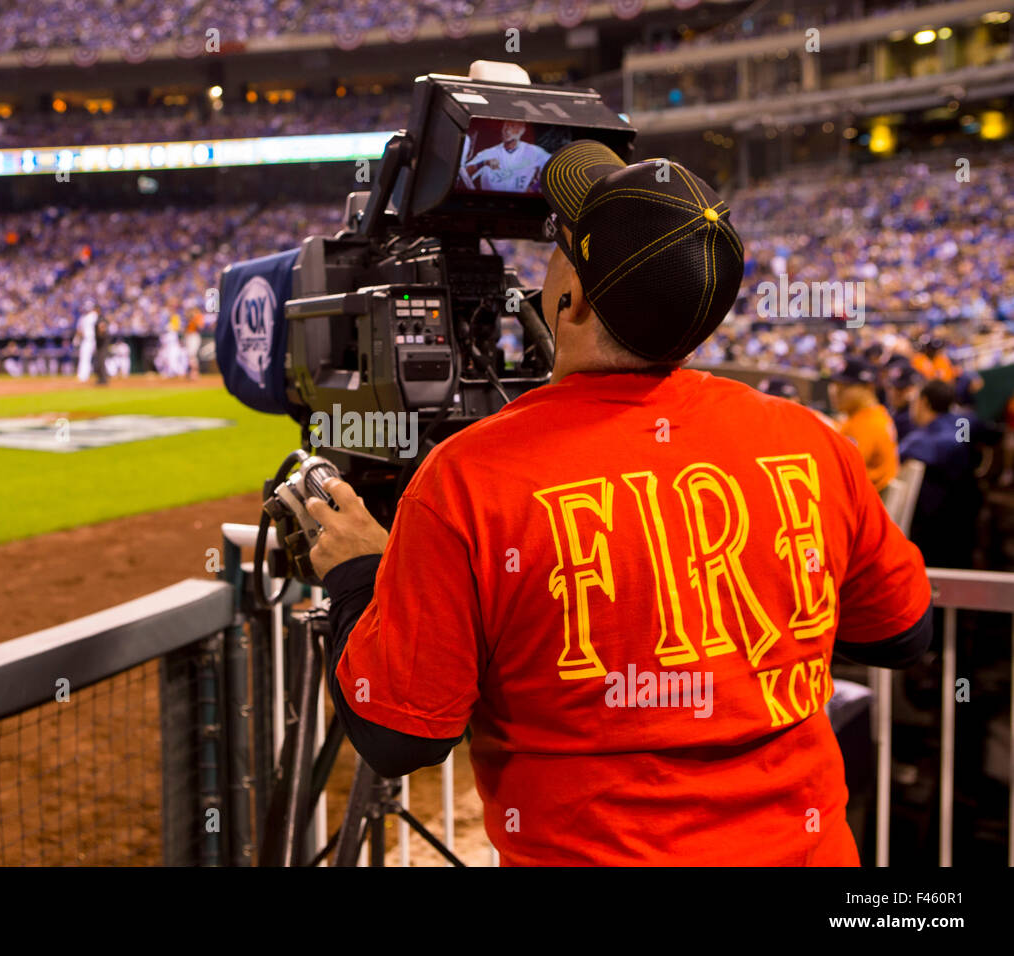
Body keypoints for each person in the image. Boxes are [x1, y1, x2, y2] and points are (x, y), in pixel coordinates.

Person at [304, 141, 933, 866]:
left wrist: (358, 576)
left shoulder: (469, 477)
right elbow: (902, 633)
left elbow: (399, 735)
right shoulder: (808, 441)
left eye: (556, 246)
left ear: (569, 297)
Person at [899, 380, 980, 568]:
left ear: (924, 402)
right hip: (967, 521)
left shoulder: (918, 442)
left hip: (935, 537)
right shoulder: (964, 422)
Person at [830, 357, 899, 494]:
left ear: (868, 388)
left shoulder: (867, 425)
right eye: (836, 385)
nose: (836, 393)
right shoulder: (872, 414)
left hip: (863, 502)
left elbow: (840, 473)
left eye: (845, 387)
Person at [461, 120, 550, 193]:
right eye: (506, 126)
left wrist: (534, 188)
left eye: (512, 126)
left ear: (522, 130)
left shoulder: (533, 151)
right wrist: (483, 163)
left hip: (522, 204)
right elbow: (464, 173)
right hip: (489, 202)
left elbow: (555, 168)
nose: (507, 130)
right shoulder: (488, 153)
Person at [75, 307, 98, 382]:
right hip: (86, 340)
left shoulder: (94, 316)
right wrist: (77, 338)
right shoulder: (83, 318)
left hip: (93, 339)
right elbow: (79, 330)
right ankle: (83, 375)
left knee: (97, 357)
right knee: (84, 358)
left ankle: (84, 375)